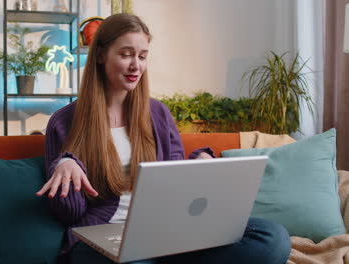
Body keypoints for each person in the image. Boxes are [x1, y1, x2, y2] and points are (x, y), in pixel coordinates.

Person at [36, 13, 291, 264]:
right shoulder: (64, 122)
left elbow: (176, 180)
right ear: (101, 55)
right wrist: (66, 165)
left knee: (272, 238)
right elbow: (70, 215)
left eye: (142, 56)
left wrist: (201, 164)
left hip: (163, 232)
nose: (136, 65)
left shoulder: (157, 113)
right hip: (103, 236)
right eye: (125, 55)